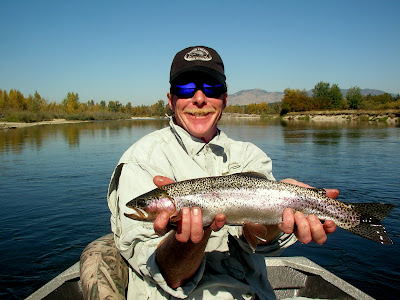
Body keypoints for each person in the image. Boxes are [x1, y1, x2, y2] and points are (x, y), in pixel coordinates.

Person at [107, 46, 338, 299]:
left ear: (225, 98)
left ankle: (350, 216)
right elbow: (169, 274)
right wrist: (192, 237)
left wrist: (277, 222)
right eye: (185, 87)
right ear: (171, 99)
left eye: (211, 87)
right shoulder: (142, 161)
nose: (199, 98)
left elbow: (258, 238)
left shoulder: (251, 156)